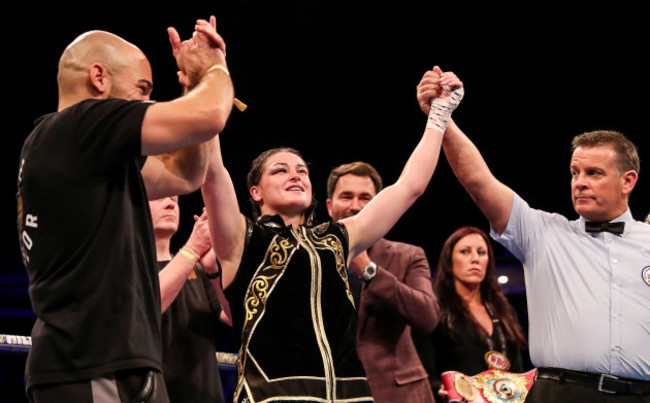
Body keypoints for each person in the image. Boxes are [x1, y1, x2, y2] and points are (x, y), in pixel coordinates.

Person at [200, 63, 463, 402]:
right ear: (256, 192)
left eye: (301, 171)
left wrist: (439, 114)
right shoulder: (240, 238)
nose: (295, 175)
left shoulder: (338, 238)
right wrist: (205, 80)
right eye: (280, 170)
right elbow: (212, 171)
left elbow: (410, 186)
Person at [16, 17, 234, 402]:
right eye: (142, 89)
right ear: (99, 78)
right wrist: (214, 66)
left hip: (115, 362)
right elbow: (210, 115)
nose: (146, 103)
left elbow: (187, 173)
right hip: (93, 362)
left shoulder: (79, 151)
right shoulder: (81, 125)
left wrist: (194, 84)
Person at [416, 69, 650, 402]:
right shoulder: (543, 233)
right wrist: (444, 117)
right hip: (559, 393)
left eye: (594, 173)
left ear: (628, 181)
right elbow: (478, 182)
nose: (579, 181)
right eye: (575, 172)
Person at [325, 161, 439, 402]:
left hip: (399, 394)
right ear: (329, 206)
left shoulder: (409, 256)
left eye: (365, 198)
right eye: (346, 197)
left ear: (379, 204)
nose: (355, 206)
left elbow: (428, 316)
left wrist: (369, 271)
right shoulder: (311, 257)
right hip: (332, 392)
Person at [413, 226, 527, 402]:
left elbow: (518, 372)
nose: (475, 259)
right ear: (449, 263)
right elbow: (425, 374)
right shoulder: (434, 309)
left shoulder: (504, 310)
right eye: (465, 252)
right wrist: (445, 391)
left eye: (481, 252)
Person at [149, 195, 227, 402]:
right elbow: (147, 308)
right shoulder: (128, 268)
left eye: (174, 198)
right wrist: (193, 247)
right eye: (159, 197)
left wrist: (212, 269)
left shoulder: (199, 271)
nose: (170, 202)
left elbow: (234, 316)